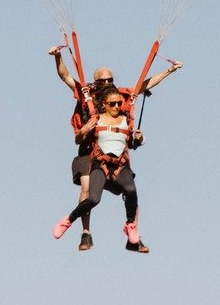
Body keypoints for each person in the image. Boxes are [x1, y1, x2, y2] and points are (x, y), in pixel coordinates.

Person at [48, 47, 182, 250]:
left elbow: (144, 85)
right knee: (88, 189)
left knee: (132, 190)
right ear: (96, 83)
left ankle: (133, 237)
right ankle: (85, 233)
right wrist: (58, 56)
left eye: (110, 80)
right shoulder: (87, 94)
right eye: (103, 81)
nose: (108, 84)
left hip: (116, 153)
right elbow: (65, 75)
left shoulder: (119, 98)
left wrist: (169, 71)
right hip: (89, 150)